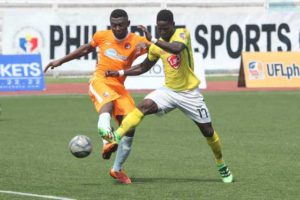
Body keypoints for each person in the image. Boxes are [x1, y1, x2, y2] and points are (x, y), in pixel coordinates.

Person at [104, 9, 234, 183]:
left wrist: (154, 40)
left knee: (208, 131)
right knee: (143, 106)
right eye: (159, 28)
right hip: (169, 92)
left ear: (173, 25)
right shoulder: (157, 46)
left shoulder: (182, 34)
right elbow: (143, 67)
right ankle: (115, 137)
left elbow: (176, 49)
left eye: (165, 28)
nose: (162, 31)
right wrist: (119, 72)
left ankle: (221, 164)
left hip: (189, 94)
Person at [44, 9, 150, 184]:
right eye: (114, 25)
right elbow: (85, 49)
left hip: (119, 86)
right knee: (106, 105)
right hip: (99, 81)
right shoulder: (101, 36)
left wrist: (152, 40)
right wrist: (60, 61)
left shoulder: (138, 43)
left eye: (120, 25)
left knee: (131, 125)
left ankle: (116, 169)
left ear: (128, 24)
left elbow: (159, 50)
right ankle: (107, 141)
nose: (117, 28)